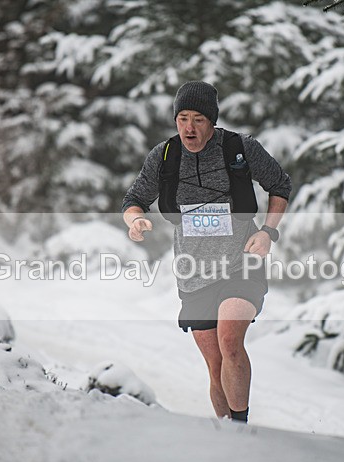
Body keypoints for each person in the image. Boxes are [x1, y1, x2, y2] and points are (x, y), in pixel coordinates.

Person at [122, 81, 291, 423]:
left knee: (230, 341)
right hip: (194, 272)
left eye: (198, 119)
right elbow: (133, 200)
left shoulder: (240, 148)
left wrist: (268, 233)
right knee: (215, 366)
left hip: (241, 262)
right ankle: (227, 434)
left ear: (212, 121)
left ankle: (240, 428)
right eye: (182, 118)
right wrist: (135, 220)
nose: (189, 127)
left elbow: (280, 185)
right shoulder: (165, 156)